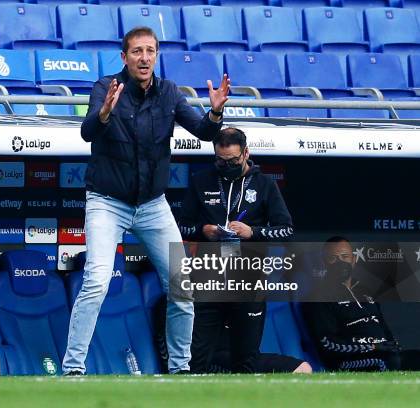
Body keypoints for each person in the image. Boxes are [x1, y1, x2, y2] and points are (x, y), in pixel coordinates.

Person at [62, 26, 230, 375]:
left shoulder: (169, 92)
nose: (144, 57)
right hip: (108, 202)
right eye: (137, 51)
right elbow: (87, 131)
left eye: (150, 51)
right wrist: (105, 111)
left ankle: (181, 368)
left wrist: (214, 113)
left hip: (153, 204)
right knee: (96, 281)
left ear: (156, 55)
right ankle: (73, 369)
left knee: (182, 285)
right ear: (124, 57)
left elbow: (202, 132)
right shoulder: (106, 88)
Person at [178, 127, 311, 374]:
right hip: (209, 276)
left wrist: (253, 232)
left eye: (233, 160)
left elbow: (286, 230)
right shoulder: (201, 181)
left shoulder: (264, 185)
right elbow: (181, 226)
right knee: (196, 358)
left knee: (245, 359)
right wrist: (203, 230)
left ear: (246, 153)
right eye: (220, 160)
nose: (226, 164)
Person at [302, 237, 420, 372]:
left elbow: (382, 325)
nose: (340, 262)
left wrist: (391, 344)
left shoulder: (364, 291)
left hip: (385, 354)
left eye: (345, 256)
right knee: (389, 362)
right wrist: (373, 347)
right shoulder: (318, 298)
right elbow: (328, 344)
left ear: (354, 260)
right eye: (333, 258)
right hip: (346, 362)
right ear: (325, 263)